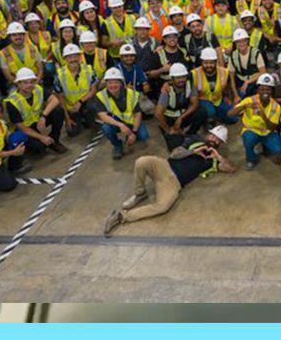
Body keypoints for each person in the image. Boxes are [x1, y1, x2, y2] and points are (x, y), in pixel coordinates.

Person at [103, 125, 237, 235]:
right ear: (208, 135)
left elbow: (231, 169)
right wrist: (194, 151)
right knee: (141, 161)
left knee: (162, 207)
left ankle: (121, 217)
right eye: (213, 136)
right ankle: (140, 193)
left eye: (218, 140)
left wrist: (218, 157)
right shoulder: (195, 140)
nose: (214, 140)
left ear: (220, 144)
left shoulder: (212, 160)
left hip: (174, 183)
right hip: (164, 166)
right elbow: (174, 154)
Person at [3, 67, 68, 155]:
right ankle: (34, 145)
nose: (29, 85)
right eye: (25, 83)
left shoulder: (38, 89)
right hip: (25, 129)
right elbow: (23, 128)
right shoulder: (12, 102)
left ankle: (54, 141)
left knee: (58, 111)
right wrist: (42, 137)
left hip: (38, 121)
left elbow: (55, 100)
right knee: (39, 149)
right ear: (18, 84)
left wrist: (44, 116)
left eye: (31, 82)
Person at [94, 67, 149, 159]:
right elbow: (102, 116)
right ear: (106, 83)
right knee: (106, 128)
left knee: (144, 135)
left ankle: (131, 137)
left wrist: (134, 132)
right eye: (110, 83)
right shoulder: (101, 96)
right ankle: (117, 145)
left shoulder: (132, 94)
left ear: (121, 83)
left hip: (131, 122)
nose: (113, 85)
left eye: (116, 82)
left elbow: (137, 114)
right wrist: (121, 125)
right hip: (116, 123)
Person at [231, 73, 281, 170]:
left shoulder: (276, 106)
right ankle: (251, 159)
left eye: (268, 89)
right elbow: (230, 114)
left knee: (278, 149)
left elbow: (272, 128)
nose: (265, 92)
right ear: (257, 90)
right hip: (251, 131)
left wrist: (263, 116)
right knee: (249, 140)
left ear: (272, 91)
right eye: (262, 89)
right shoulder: (249, 100)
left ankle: (264, 146)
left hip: (267, 132)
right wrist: (244, 106)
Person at [155, 62, 206, 150]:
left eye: (183, 77)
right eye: (178, 78)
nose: (181, 80)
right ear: (172, 78)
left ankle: (190, 133)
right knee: (176, 147)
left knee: (202, 112)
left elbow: (195, 104)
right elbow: (158, 113)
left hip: (181, 116)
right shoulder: (167, 90)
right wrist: (168, 130)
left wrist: (181, 118)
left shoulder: (190, 85)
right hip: (169, 119)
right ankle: (169, 132)